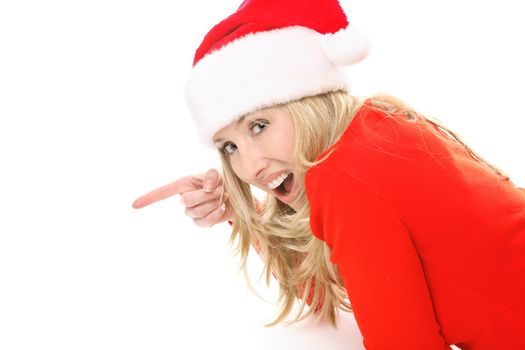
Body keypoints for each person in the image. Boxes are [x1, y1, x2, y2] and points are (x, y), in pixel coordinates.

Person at [132, 0, 525, 348]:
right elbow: (337, 287)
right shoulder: (374, 127)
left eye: (259, 125)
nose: (249, 167)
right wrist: (241, 212)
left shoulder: (346, 176)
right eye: (229, 147)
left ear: (306, 101)